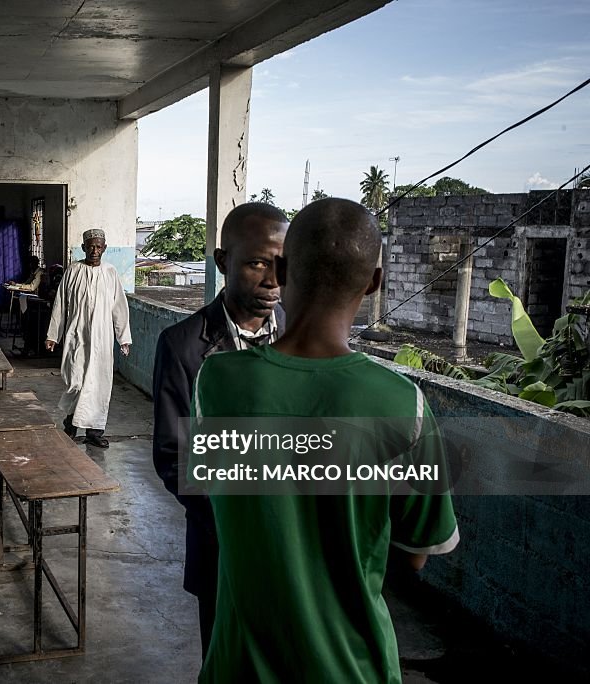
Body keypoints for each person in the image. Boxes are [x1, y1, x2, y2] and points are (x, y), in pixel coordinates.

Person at [192, 198, 459, 682]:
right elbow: (418, 552)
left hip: (238, 668)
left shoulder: (217, 382)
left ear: (284, 268)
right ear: (375, 282)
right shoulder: (404, 405)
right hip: (352, 668)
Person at [152, 202, 289, 658]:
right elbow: (174, 456)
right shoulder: (184, 345)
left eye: (282, 265)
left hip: (296, 555)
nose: (273, 280)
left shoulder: (298, 335)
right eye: (256, 263)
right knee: (224, 660)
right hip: (222, 550)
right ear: (222, 262)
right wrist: (242, 524)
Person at [46, 229, 132, 448]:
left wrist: (123, 338)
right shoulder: (73, 271)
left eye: (99, 246)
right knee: (76, 381)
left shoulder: (111, 273)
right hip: (77, 337)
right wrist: (53, 335)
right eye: (91, 246)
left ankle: (95, 431)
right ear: (84, 248)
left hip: (102, 340)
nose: (95, 250)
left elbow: (119, 308)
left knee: (99, 384)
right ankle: (71, 426)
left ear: (104, 248)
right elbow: (60, 305)